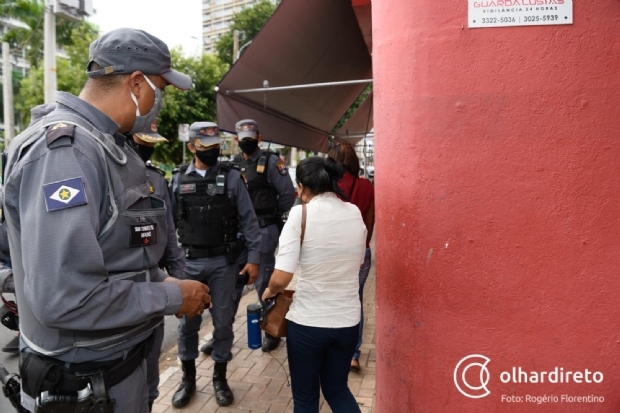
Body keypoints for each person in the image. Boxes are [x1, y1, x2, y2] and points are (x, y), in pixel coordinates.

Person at [1, 28, 211, 413]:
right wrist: (171, 296)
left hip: (118, 369)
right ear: (136, 83)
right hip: (85, 383)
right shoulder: (65, 153)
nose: (158, 103)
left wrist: (162, 279)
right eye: (158, 88)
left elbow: (116, 254)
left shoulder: (106, 146)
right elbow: (65, 297)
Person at [263, 157, 366, 413]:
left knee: (306, 399)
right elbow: (359, 260)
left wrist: (270, 291)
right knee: (337, 389)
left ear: (302, 187)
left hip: (309, 323)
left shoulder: (301, 214)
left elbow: (281, 277)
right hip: (347, 323)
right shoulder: (354, 212)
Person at [169, 122, 261, 408]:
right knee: (188, 326)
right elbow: (168, 225)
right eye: (206, 147)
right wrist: (171, 270)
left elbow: (249, 220)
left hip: (223, 263)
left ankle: (220, 378)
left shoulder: (231, 178)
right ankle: (188, 379)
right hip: (190, 264)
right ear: (193, 146)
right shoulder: (177, 179)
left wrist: (255, 259)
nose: (212, 152)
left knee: (223, 324)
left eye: (216, 147)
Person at [130, 121, 186, 412]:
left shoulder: (156, 179)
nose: (147, 148)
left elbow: (169, 232)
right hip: (120, 290)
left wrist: (177, 278)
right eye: (144, 141)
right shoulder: (105, 175)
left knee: (150, 379)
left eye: (151, 143)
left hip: (153, 283)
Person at [228, 119, 296, 353]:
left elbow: (287, 194)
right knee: (234, 280)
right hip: (240, 231)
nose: (246, 141)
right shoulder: (233, 164)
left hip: (265, 227)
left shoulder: (271, 161)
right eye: (242, 137)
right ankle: (223, 331)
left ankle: (271, 328)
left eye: (250, 136)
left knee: (263, 281)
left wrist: (272, 215)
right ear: (236, 139)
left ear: (259, 137)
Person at [328, 142, 375, 373]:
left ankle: (332, 350)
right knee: (355, 301)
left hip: (333, 253)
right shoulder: (367, 186)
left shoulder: (328, 185)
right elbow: (370, 222)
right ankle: (353, 354)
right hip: (360, 252)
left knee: (331, 300)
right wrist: (363, 245)